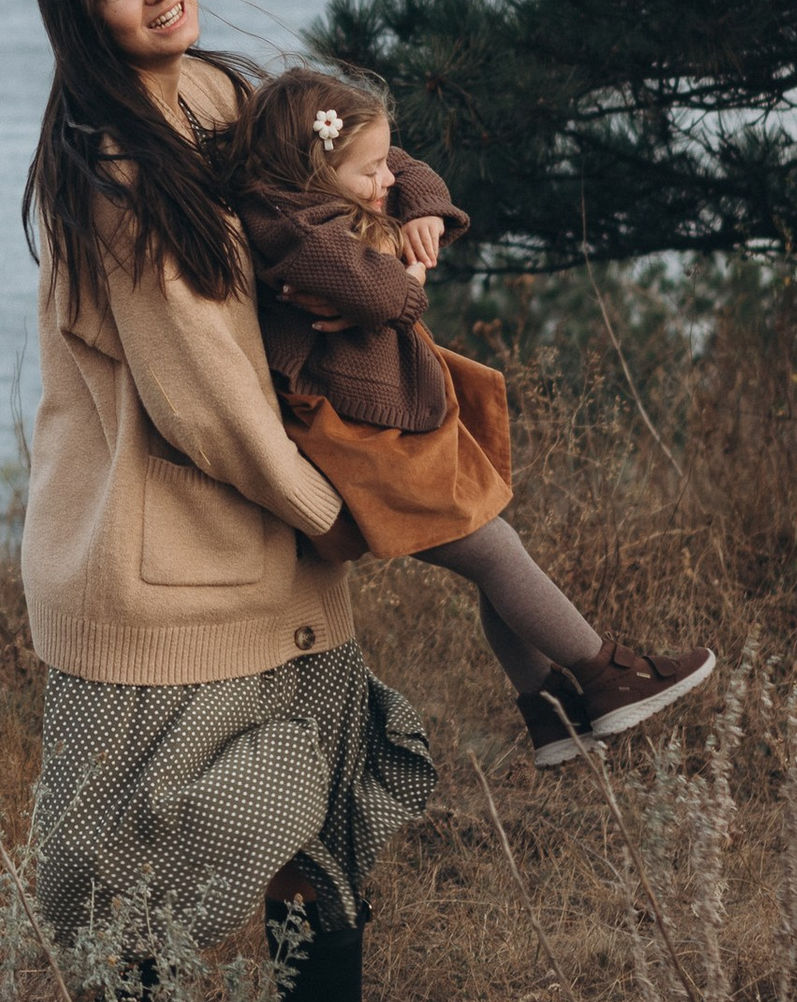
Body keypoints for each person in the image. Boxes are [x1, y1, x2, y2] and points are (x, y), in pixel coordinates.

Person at [18, 0, 437, 1002]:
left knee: (318, 867)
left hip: (267, 565)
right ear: (82, 20)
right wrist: (343, 509)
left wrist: (408, 214)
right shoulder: (117, 172)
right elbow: (206, 400)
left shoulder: (223, 98)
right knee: (142, 891)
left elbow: (355, 176)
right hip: (167, 582)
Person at [229, 66, 716, 768]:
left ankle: (551, 714)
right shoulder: (303, 235)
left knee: (493, 551)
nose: (384, 183)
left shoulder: (319, 181)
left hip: (379, 417)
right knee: (493, 549)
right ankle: (607, 674)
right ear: (316, 166)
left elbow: (400, 162)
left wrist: (420, 207)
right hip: (357, 436)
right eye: (368, 175)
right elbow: (394, 297)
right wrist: (407, 264)